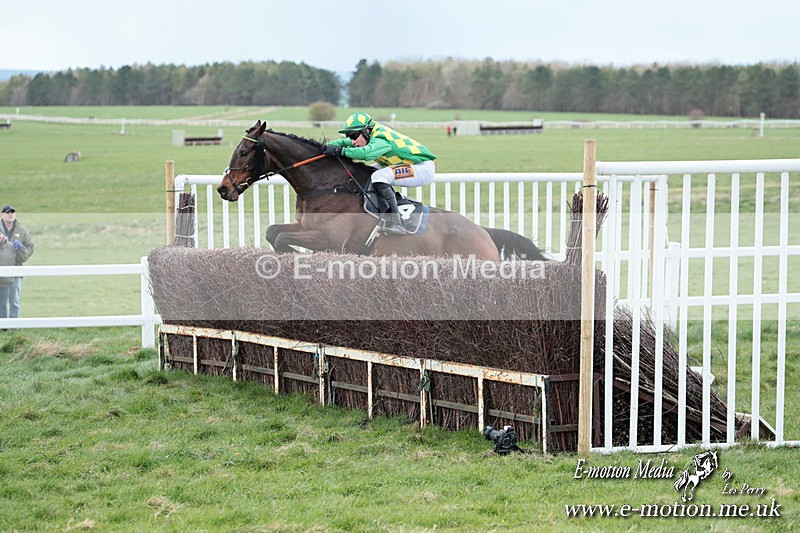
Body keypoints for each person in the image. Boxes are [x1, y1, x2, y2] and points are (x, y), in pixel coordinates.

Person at [323, 112, 437, 234]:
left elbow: (365, 153)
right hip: (402, 164)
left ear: (367, 131)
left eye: (354, 135)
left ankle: (397, 223)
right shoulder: (369, 134)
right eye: (350, 136)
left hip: (422, 167)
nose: (353, 140)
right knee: (366, 174)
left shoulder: (381, 138)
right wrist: (325, 147)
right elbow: (346, 142)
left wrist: (340, 151)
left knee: (379, 176)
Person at [0, 205, 34, 319]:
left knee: (14, 300)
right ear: (2, 214)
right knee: (2, 301)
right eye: (7, 212)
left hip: (16, 268)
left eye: (12, 212)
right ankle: (3, 327)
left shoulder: (21, 230)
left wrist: (23, 252)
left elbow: (30, 246)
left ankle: (14, 326)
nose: (10, 214)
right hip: (2, 269)